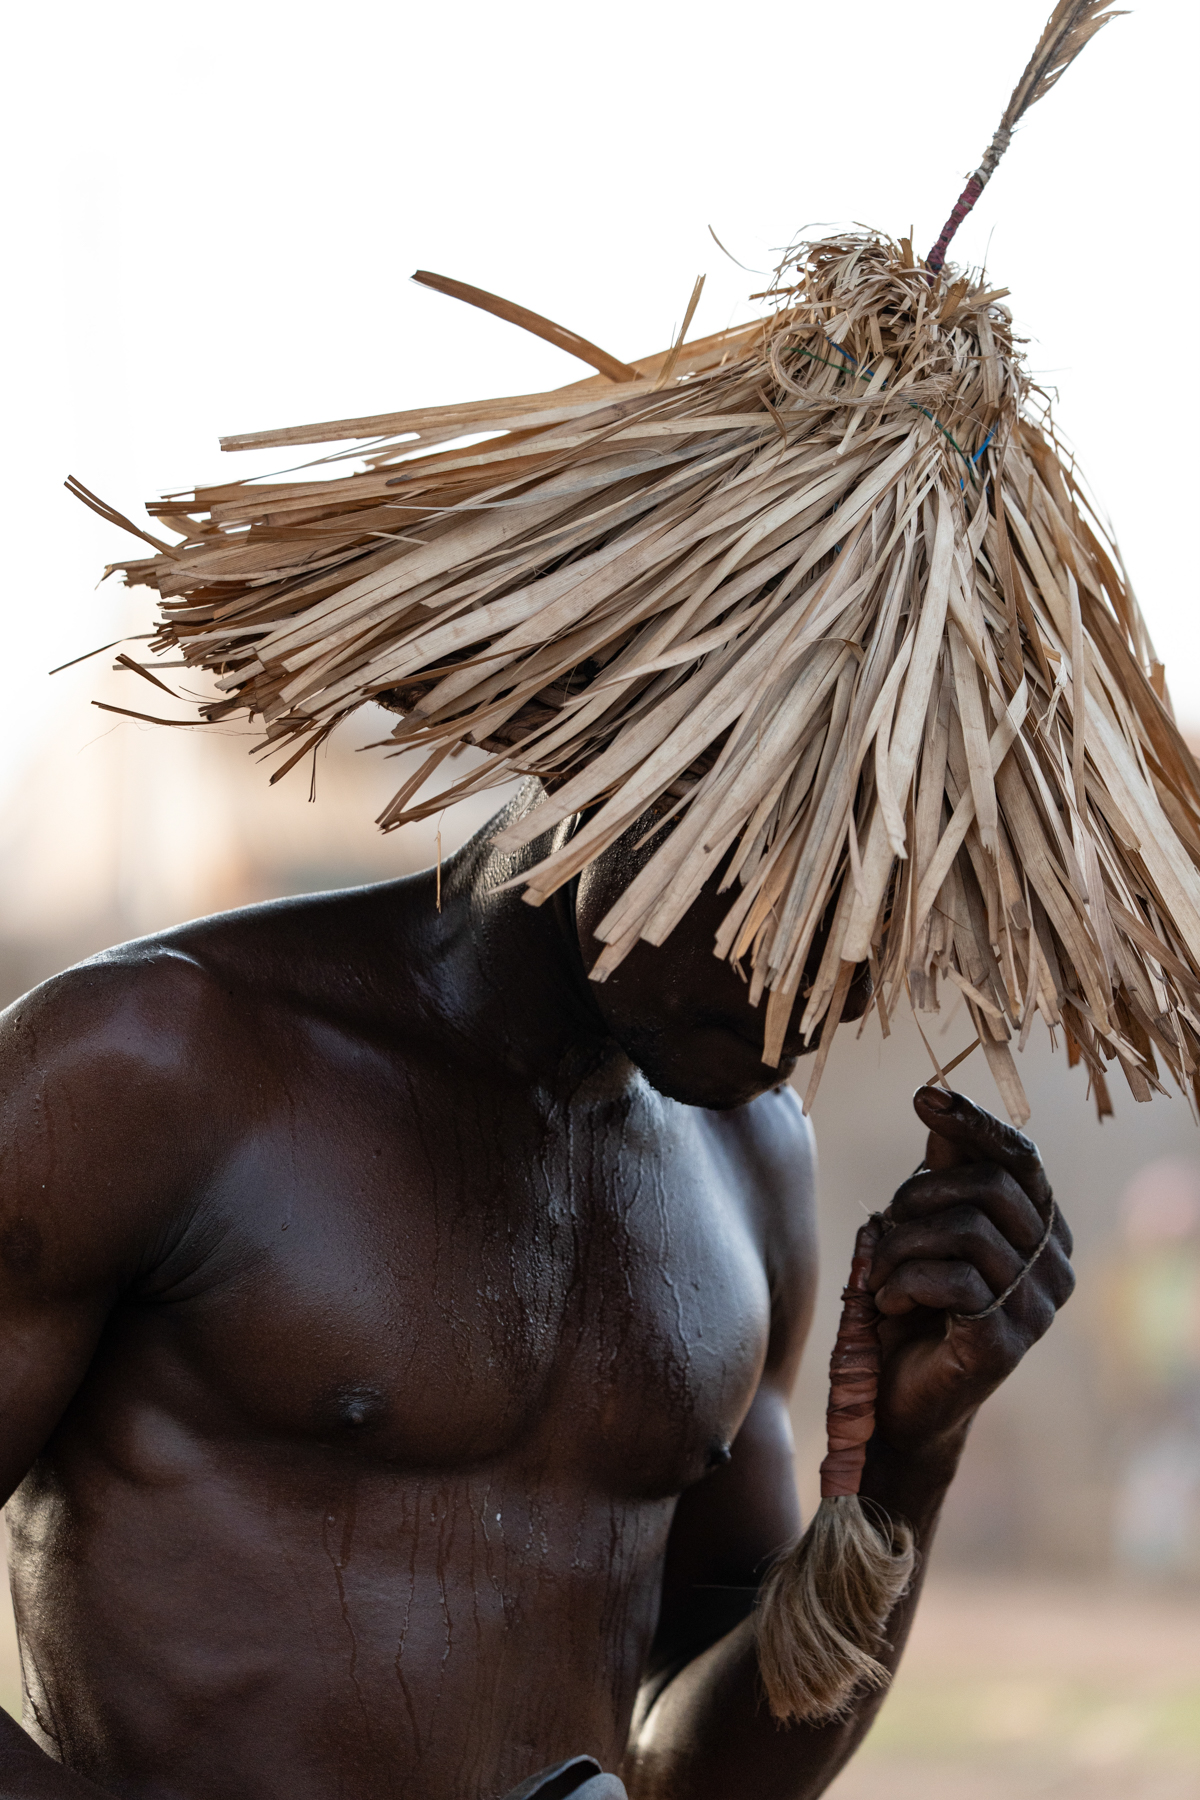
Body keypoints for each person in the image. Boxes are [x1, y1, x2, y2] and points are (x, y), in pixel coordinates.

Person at [0, 783, 1073, 1799]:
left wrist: (907, 1457)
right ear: (610, 756)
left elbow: (696, 1776)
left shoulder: (754, 1161)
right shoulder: (150, 1059)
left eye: (883, 933)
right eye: (797, 892)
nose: (822, 992)